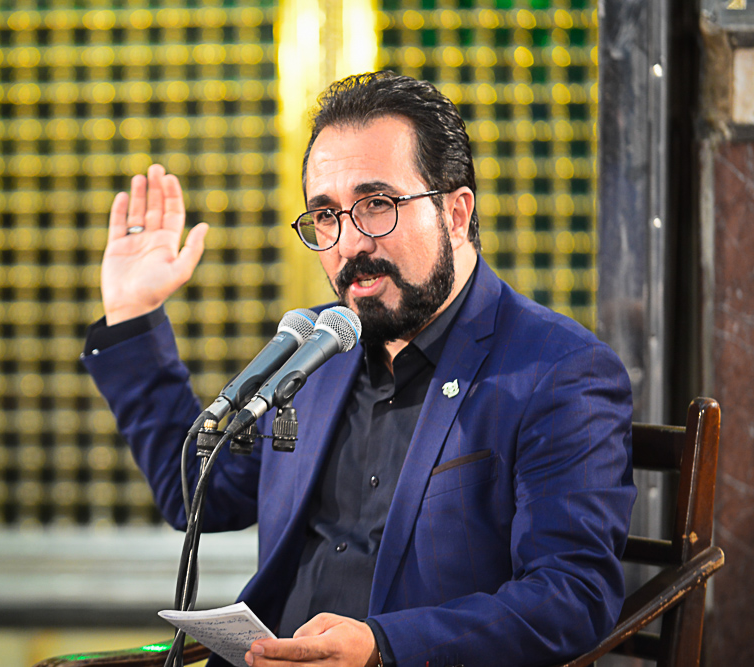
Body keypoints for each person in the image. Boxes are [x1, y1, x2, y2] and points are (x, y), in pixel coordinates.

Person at [81, 72, 635, 667]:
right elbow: (198, 492)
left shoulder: (557, 371)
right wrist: (132, 315)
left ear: (455, 213)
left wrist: (382, 647)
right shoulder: (318, 348)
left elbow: (572, 599)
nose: (349, 244)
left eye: (377, 205)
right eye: (326, 215)